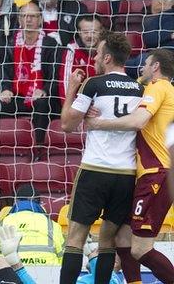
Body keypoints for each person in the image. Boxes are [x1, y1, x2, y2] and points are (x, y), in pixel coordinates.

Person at [58, 31, 144, 284]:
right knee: (107, 240)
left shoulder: (94, 84)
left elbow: (66, 125)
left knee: (75, 238)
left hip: (95, 169)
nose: (94, 57)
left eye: (97, 53)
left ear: (107, 58)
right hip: (126, 175)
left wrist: (72, 88)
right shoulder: (140, 89)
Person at [84, 49, 174, 284]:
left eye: (145, 64)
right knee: (122, 238)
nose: (141, 68)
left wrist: (97, 123)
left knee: (140, 249)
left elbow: (138, 121)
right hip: (147, 175)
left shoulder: (158, 87)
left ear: (155, 67)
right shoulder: (155, 89)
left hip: (156, 174)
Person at [0, 0, 60, 144]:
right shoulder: (10, 43)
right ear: (19, 19)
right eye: (25, 16)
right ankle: (9, 145)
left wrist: (44, 90)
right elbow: (2, 69)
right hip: (16, 93)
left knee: (43, 103)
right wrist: (4, 89)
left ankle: (38, 145)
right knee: (2, 103)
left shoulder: (50, 44)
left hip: (41, 94)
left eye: (33, 16)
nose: (29, 20)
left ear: (40, 19)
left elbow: (55, 75)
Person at [0, 184, 64, 266]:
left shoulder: (1, 224)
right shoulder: (52, 225)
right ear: (39, 203)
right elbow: (62, 257)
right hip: (47, 272)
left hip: (11, 272)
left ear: (16, 201)